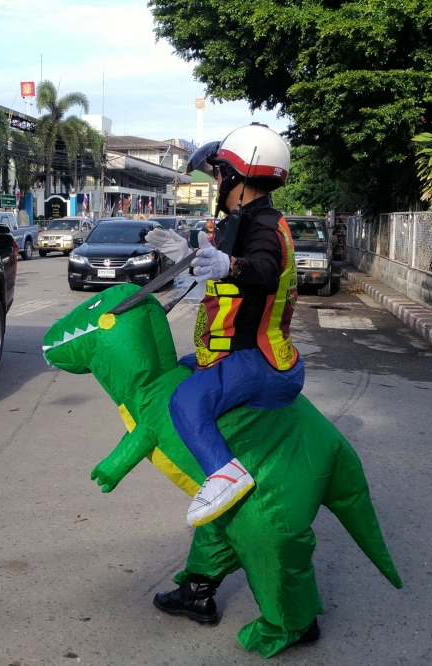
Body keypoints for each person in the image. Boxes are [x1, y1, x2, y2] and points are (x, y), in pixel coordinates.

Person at [145, 123, 301, 528]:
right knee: (186, 363)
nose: (215, 181)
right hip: (242, 349)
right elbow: (229, 287)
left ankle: (224, 473)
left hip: (258, 358)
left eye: (218, 173)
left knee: (185, 401)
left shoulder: (263, 226)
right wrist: (192, 258)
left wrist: (228, 263)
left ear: (238, 175)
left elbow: (263, 271)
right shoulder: (247, 219)